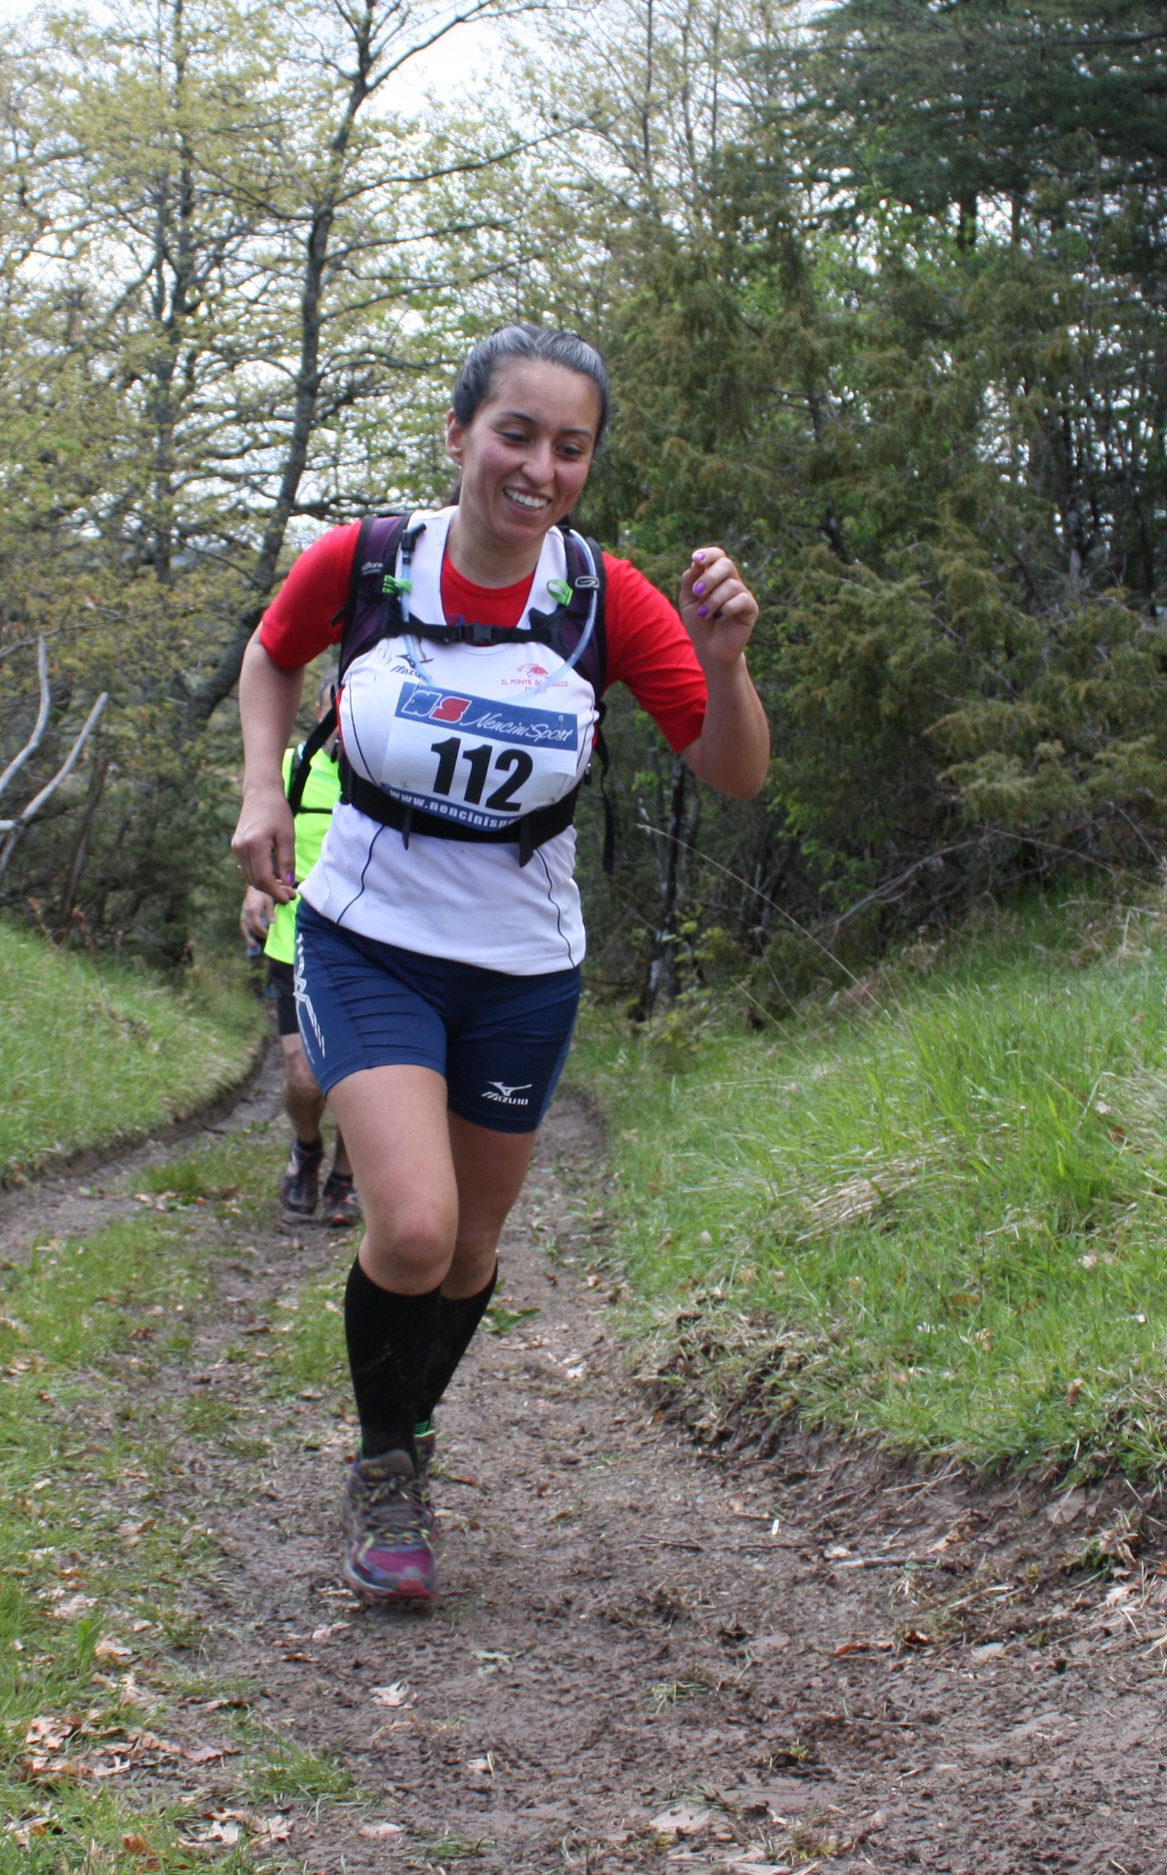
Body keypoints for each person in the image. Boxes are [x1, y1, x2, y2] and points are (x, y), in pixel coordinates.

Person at [230, 324, 768, 1605]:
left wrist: (727, 661)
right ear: (460, 434)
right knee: (409, 1229)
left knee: (470, 1252)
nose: (538, 467)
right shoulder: (366, 560)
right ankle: (384, 1469)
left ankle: (409, 1425)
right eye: (515, 434)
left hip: (522, 966)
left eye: (568, 447)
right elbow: (271, 651)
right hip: (369, 936)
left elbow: (735, 773)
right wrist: (261, 790)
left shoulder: (601, 599)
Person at [240, 685, 356, 1224]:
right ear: (320, 710)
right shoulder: (295, 766)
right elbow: (260, 835)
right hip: (297, 941)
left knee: (363, 1082)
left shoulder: (400, 776)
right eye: (336, 702)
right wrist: (255, 887)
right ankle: (307, 1148)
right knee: (306, 1078)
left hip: (374, 949)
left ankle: (345, 1178)